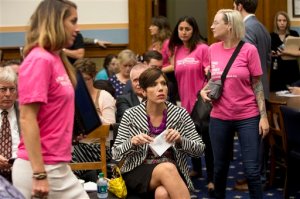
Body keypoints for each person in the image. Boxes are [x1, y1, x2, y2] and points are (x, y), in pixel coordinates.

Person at [12, 0, 89, 198]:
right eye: (73, 21)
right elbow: (27, 118)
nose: (77, 28)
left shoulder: (56, 57)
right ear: (56, 22)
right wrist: (38, 174)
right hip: (39, 168)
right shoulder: (39, 59)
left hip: (57, 165)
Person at [201, 9, 269, 199]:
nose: (212, 26)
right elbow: (215, 79)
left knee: (252, 171)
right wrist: (202, 90)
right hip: (220, 117)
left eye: (216, 22)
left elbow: (257, 85)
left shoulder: (249, 50)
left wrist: (263, 117)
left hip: (247, 116)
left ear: (229, 25)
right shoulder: (212, 49)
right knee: (220, 169)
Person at [112, 67, 205, 198]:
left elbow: (200, 150)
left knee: (163, 193)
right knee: (167, 168)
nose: (160, 88)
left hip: (173, 171)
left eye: (163, 83)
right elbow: (115, 153)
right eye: (153, 85)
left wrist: (180, 140)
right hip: (138, 170)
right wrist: (132, 142)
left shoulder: (180, 114)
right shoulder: (131, 115)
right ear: (143, 92)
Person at [233, 0, 271, 191]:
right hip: (264, 86)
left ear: (239, 6)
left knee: (253, 139)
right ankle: (260, 174)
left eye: (234, 6)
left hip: (252, 91)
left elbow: (246, 64)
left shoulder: (246, 28)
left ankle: (254, 178)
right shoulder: (262, 27)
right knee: (260, 138)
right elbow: (267, 61)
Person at [73, 58, 116, 182]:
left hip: (100, 146)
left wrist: (91, 114)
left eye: (86, 79)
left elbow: (110, 127)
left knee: (74, 151)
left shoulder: (103, 96)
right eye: (77, 80)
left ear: (93, 78)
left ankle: (73, 181)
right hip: (78, 143)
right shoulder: (71, 97)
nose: (80, 83)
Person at [270, 11, 300, 91]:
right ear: (276, 22)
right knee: (277, 97)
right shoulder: (271, 36)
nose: (282, 23)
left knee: (293, 98)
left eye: (284, 20)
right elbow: (267, 53)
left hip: (292, 71)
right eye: (279, 20)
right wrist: (271, 54)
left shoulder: (294, 34)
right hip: (277, 72)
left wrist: (285, 52)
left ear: (287, 22)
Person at [0, 66, 19, 183]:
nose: (8, 94)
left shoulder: (26, 112)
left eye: (12, 89)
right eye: (3, 89)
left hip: (22, 171)